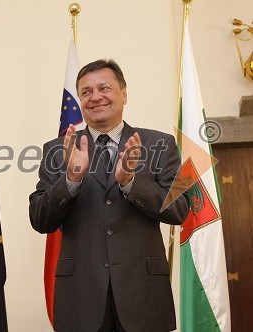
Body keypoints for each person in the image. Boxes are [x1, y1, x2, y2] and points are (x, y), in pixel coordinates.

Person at [29, 59, 190, 332]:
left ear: (124, 94)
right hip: (81, 296)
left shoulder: (160, 144)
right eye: (86, 92)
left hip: (144, 295)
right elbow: (40, 219)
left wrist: (130, 182)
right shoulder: (58, 149)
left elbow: (180, 210)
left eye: (104, 88)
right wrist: (71, 179)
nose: (96, 97)